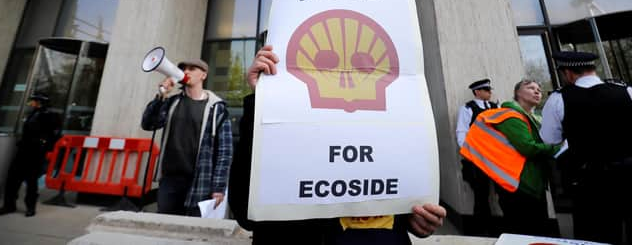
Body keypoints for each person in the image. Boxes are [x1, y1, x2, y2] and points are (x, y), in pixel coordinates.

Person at [228, 45, 446, 245]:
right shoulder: (276, 121)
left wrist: (416, 217)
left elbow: (407, 201)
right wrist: (264, 100)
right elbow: (245, 211)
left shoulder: (393, 122)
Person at [541, 51, 632, 244]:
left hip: (590, 181)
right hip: (629, 173)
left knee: (596, 236)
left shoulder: (558, 99)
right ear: (593, 68)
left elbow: (550, 139)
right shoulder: (626, 91)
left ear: (568, 73)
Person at [141, 59, 232, 216]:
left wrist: (218, 187)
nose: (186, 72)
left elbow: (225, 151)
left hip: (200, 181)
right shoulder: (172, 102)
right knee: (165, 226)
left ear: (204, 75)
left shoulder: (217, 108)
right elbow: (148, 124)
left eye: (192, 69)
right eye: (183, 69)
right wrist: (161, 96)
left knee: (192, 230)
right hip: (169, 180)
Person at [492, 80, 560, 236]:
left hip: (534, 183)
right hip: (518, 185)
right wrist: (558, 146)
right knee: (523, 232)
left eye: (539, 89)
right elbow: (528, 147)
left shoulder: (537, 118)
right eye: (531, 88)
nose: (537, 92)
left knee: (537, 230)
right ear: (518, 93)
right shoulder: (510, 116)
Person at [0, 92, 61, 217]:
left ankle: (30, 207)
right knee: (13, 179)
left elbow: (54, 135)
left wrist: (45, 146)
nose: (32, 103)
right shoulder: (31, 114)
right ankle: (9, 205)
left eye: (34, 101)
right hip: (23, 151)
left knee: (31, 181)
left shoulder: (49, 116)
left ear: (41, 102)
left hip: (35, 152)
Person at [455, 78, 496, 235]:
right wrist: (469, 153)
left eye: (490, 90)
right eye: (486, 90)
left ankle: (493, 227)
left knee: (498, 193)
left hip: (495, 157)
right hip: (477, 158)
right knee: (481, 194)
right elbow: (462, 131)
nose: (490, 93)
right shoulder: (468, 108)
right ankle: (481, 229)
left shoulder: (494, 107)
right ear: (477, 92)